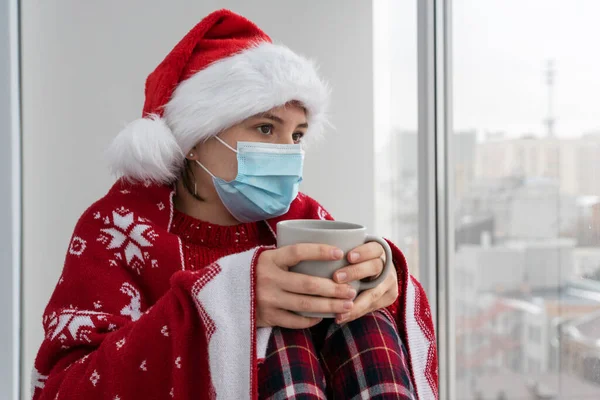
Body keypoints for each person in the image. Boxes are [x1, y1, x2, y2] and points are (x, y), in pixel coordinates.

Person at [31, 9, 438, 400]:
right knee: (272, 323)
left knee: (352, 313)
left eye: (297, 135)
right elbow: (65, 388)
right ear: (195, 139)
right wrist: (224, 302)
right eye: (265, 128)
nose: (288, 152)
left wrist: (384, 278)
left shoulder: (302, 219)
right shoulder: (117, 229)